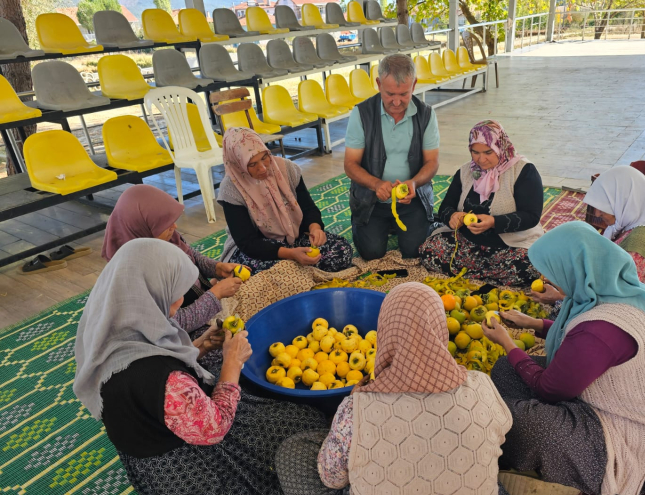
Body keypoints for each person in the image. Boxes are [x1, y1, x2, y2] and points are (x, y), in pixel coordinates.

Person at [73, 239, 326, 495]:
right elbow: (212, 429)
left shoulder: (114, 332)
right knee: (302, 424)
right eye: (176, 292)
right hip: (178, 467)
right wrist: (232, 363)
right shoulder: (157, 377)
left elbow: (158, 377)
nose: (182, 300)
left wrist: (202, 346)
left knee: (231, 380)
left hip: (153, 432)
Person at [275, 283, 513, 495]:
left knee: (292, 453)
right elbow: (498, 437)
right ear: (441, 329)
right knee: (493, 487)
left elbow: (332, 478)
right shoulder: (481, 386)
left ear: (386, 332)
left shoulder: (357, 408)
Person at [482, 222, 645, 495]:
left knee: (507, 417)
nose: (545, 277)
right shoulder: (620, 290)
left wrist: (508, 343)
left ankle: (562, 473)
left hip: (629, 446)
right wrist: (533, 323)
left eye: (551, 269)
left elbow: (548, 388)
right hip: (606, 403)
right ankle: (539, 457)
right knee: (506, 371)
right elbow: (578, 340)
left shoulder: (604, 327)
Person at [533, 166, 645, 306]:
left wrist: (561, 296)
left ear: (624, 201)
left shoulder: (638, 249)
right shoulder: (638, 226)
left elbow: (609, 304)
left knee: (569, 315)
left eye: (606, 204)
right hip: (637, 307)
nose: (597, 213)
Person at [102, 184, 242, 333]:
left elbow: (190, 255)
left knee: (265, 287)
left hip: (205, 299)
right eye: (166, 223)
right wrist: (215, 295)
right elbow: (173, 325)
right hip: (183, 336)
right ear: (141, 227)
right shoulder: (136, 276)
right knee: (238, 341)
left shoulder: (159, 238)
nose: (174, 226)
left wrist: (216, 268)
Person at [419, 120, 544, 287]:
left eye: (488, 152)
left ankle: (472, 273)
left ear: (501, 147)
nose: (481, 159)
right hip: (467, 243)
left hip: (509, 246)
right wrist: (453, 216)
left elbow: (531, 216)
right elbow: (445, 208)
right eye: (475, 152)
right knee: (428, 250)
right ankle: (487, 275)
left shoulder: (523, 171)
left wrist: (493, 222)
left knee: (530, 266)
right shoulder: (465, 171)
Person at [218, 128, 352, 274]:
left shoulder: (287, 169)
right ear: (238, 164)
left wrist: (315, 228)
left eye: (264, 157)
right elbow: (248, 243)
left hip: (295, 238)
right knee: (271, 271)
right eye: (252, 164)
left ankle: (298, 276)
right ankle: (300, 274)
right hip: (259, 248)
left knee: (341, 251)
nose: (262, 168)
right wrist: (290, 254)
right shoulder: (231, 188)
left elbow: (308, 209)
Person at [344, 54, 440, 261]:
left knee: (415, 252)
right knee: (371, 253)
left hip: (411, 199)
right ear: (378, 84)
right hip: (371, 200)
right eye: (389, 94)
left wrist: (413, 183)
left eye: (404, 94)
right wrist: (375, 184)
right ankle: (374, 226)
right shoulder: (361, 113)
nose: (396, 101)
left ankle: (402, 225)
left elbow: (432, 162)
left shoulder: (426, 114)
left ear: (414, 85)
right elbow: (350, 165)